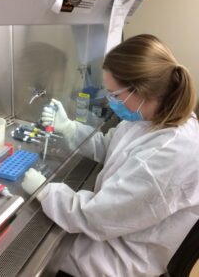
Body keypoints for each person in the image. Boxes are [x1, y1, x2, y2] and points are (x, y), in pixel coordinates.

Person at [22, 34, 199, 277]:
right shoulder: (150, 116)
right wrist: (69, 127)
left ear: (142, 91)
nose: (110, 100)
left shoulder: (170, 152)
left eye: (114, 94)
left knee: (35, 256)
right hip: (116, 229)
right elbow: (112, 147)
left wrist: (45, 191)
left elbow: (96, 216)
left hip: (120, 259)